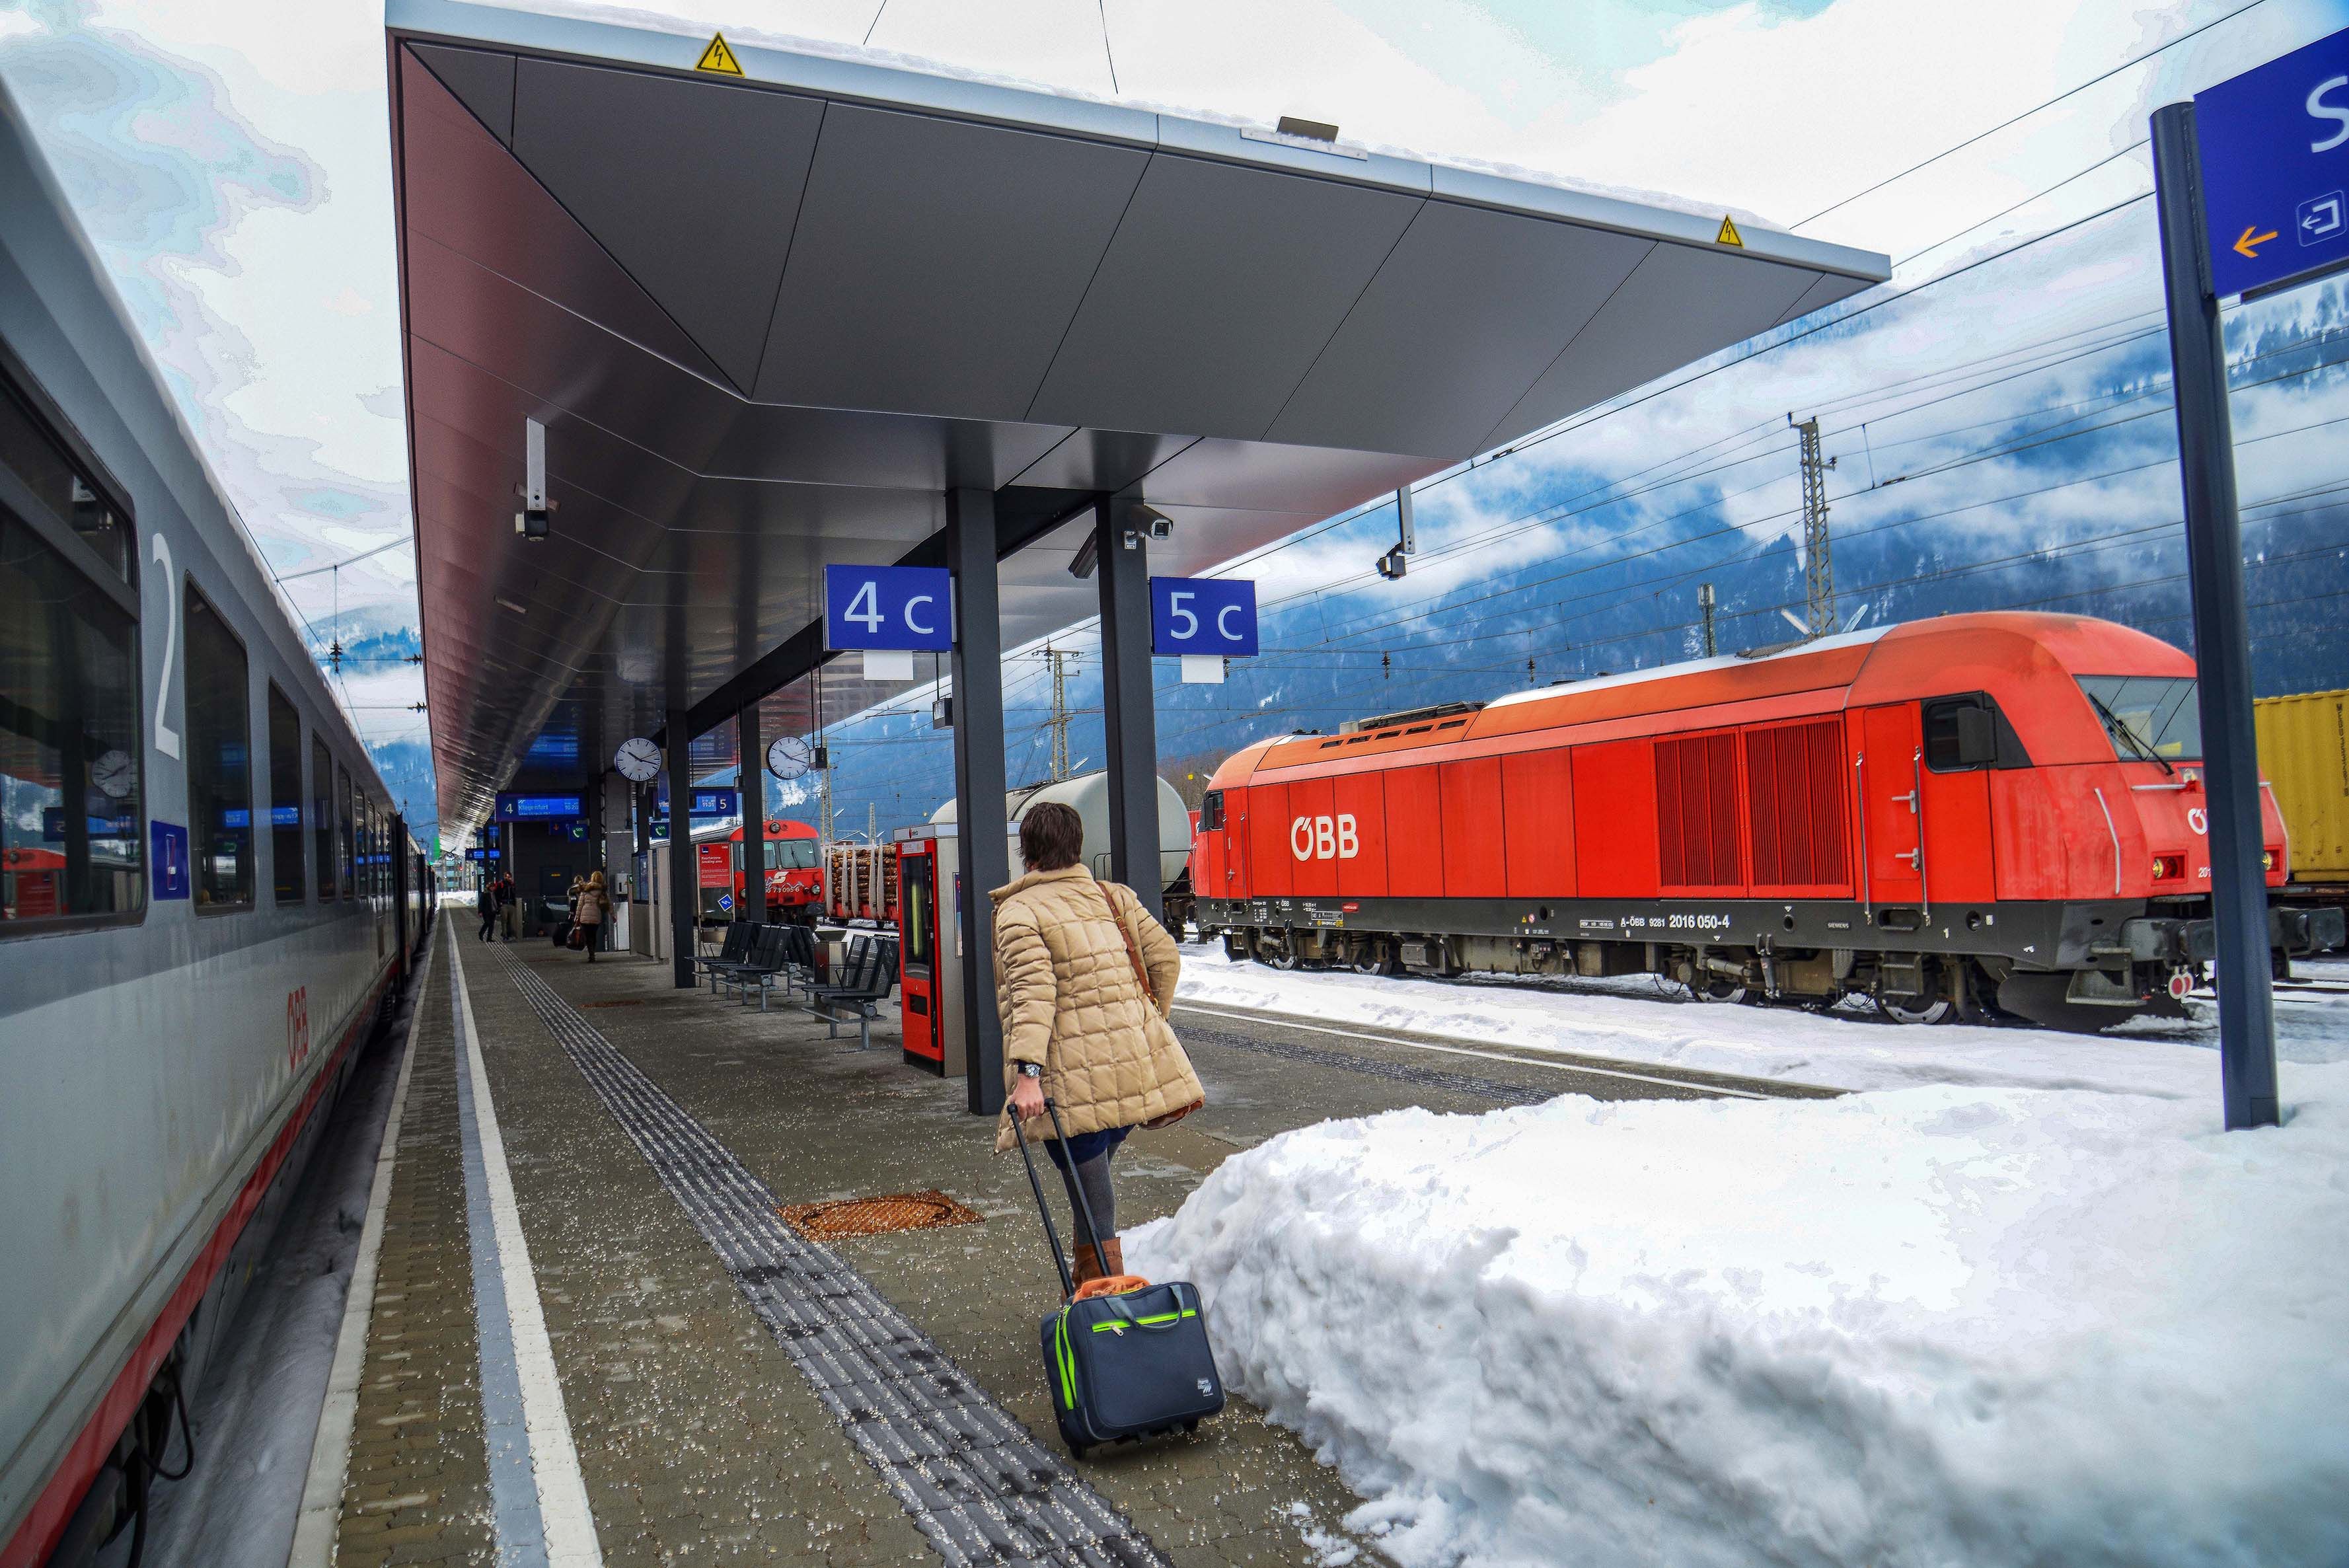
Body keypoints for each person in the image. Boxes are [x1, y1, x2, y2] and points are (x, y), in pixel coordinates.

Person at [992, 801, 1202, 1291]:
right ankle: (1089, 1296)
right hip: (1129, 1074)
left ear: (1027, 852)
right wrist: (1144, 1023)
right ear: (1077, 846)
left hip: (1070, 1087)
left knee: (1095, 1206)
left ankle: (1112, 1310)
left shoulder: (1019, 910)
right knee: (1089, 1197)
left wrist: (1027, 1074)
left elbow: (1033, 992)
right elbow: (1166, 958)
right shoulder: (1113, 897)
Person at [574, 870, 609, 960]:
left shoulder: (585, 889)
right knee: (593, 935)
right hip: (596, 915)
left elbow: (580, 905)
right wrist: (613, 915)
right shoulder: (602, 891)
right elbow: (608, 904)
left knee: (587, 936)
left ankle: (591, 954)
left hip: (585, 916)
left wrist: (577, 917)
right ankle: (592, 953)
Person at [476, 873, 500, 942]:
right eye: (492, 887)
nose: (493, 888)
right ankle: (481, 933)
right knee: (487, 923)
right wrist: (480, 911)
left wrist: (498, 909)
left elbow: (496, 902)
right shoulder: (484, 894)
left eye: (494, 887)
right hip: (486, 911)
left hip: (493, 911)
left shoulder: (495, 894)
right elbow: (481, 903)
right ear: (489, 887)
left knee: (492, 925)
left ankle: (489, 938)